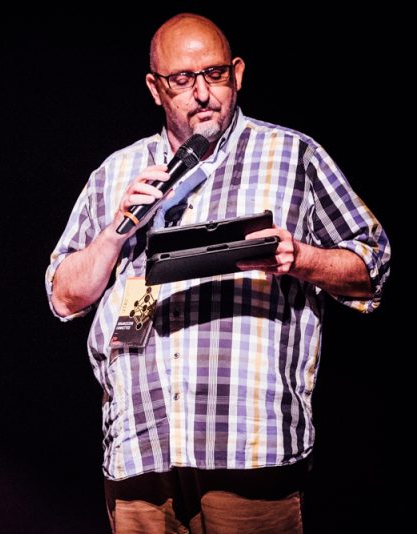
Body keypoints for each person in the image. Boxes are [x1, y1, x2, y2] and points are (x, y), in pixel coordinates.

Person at [45, 14, 390, 533]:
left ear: (238, 73)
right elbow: (63, 296)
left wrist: (301, 257)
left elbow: (373, 264)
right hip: (141, 449)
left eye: (215, 74)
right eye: (183, 79)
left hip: (248, 447)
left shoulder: (291, 155)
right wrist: (117, 231)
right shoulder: (116, 172)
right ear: (155, 88)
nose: (203, 93)